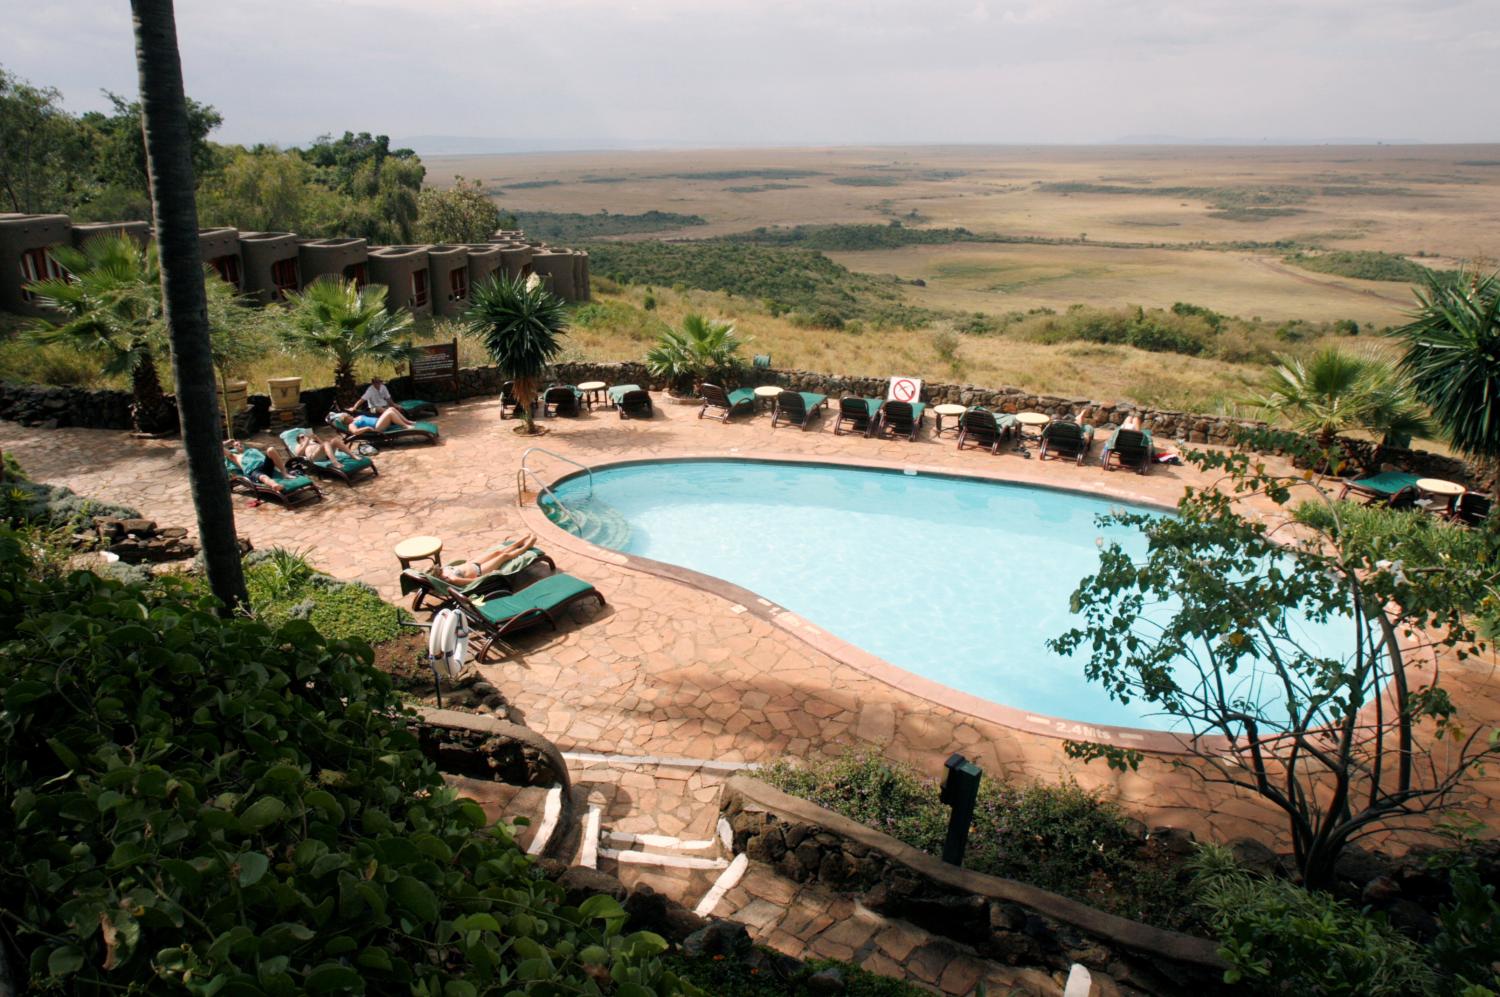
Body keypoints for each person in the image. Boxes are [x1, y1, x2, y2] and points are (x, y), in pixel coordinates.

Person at [438, 534, 539, 583]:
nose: (437, 567)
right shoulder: (452, 579)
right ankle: (527, 546)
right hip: (479, 571)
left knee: (497, 552)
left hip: (472, 562)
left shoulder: (443, 570)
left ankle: (519, 543)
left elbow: (458, 565)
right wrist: (485, 578)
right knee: (503, 556)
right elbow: (471, 582)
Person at [224, 439, 293, 494]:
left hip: (264, 466)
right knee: (263, 477)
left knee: (271, 449)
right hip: (254, 471)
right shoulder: (235, 456)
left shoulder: (252, 451)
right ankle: (275, 485)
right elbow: (220, 447)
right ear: (234, 448)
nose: (239, 445)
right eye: (236, 445)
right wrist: (228, 441)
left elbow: (262, 457)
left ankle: (284, 473)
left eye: (240, 443)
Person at [330, 406, 417, 436]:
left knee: (391, 408)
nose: (349, 415)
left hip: (379, 422)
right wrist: (367, 428)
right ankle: (405, 426)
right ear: (346, 420)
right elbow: (355, 432)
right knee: (390, 413)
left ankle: (407, 421)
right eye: (348, 416)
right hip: (377, 428)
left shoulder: (356, 417)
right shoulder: (351, 424)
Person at [288, 430, 360, 465]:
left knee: (335, 440)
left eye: (305, 436)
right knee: (326, 443)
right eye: (302, 437)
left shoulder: (312, 441)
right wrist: (306, 442)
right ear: (299, 440)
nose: (305, 437)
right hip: (314, 457)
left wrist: (317, 438)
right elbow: (298, 455)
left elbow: (325, 446)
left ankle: (353, 455)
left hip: (324, 455)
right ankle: (335, 462)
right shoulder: (299, 445)